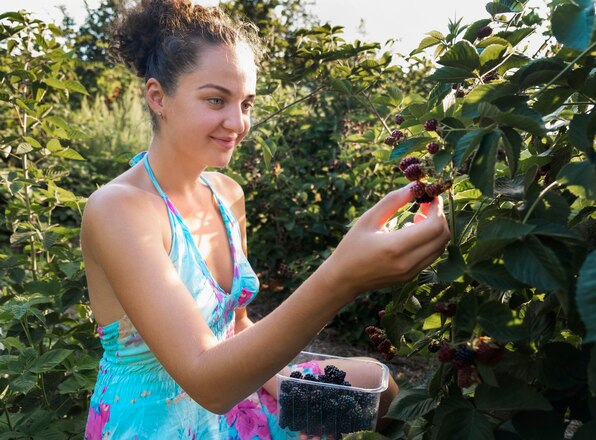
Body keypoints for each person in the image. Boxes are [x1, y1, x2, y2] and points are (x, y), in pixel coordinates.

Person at [80, 0, 450, 438]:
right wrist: (342, 277)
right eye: (216, 99)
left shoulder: (226, 194)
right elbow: (207, 382)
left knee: (382, 388)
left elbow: (235, 325)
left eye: (247, 103)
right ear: (158, 96)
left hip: (235, 399)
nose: (237, 123)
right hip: (157, 421)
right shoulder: (119, 209)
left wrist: (281, 380)